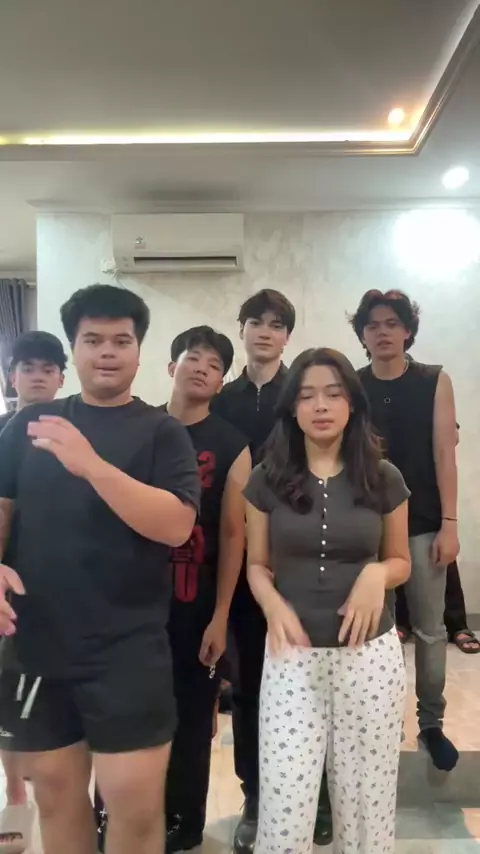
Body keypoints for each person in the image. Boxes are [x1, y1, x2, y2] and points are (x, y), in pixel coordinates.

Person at [0, 284, 201, 854]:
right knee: (56, 796)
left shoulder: (163, 432)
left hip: (127, 651)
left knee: (133, 807)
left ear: (139, 351)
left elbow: (176, 525)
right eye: (93, 340)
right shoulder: (30, 425)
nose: (107, 351)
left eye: (121, 340)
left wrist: (91, 465)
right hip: (36, 645)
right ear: (75, 349)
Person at [244, 347, 410, 854]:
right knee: (285, 806)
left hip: (369, 659)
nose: (320, 405)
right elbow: (256, 565)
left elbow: (401, 560)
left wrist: (378, 574)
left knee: (367, 809)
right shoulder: (266, 478)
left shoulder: (384, 476)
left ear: (352, 405)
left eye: (334, 394)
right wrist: (272, 603)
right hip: (291, 659)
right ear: (292, 407)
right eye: (307, 395)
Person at [212, 288, 316, 852]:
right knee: (250, 681)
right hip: (238, 556)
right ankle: (255, 795)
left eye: (277, 324)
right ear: (243, 329)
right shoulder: (222, 399)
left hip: (295, 551)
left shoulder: (301, 395)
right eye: (256, 322)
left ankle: (313, 795)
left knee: (306, 679)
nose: (265, 332)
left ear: (287, 337)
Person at [352, 289, 460, 771]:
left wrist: (450, 524)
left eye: (392, 323)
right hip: (368, 528)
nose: (383, 332)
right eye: (373, 325)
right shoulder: (352, 387)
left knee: (431, 630)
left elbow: (445, 455)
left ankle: (431, 723)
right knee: (375, 632)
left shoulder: (434, 381)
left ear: (408, 330)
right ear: (362, 334)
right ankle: (379, 718)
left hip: (423, 525)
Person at [164, 325, 251, 851]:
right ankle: (117, 813)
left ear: (221, 382)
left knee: (193, 719)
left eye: (214, 364)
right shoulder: (142, 427)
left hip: (197, 604)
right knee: (127, 714)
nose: (201, 368)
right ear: (170, 366)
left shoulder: (232, 443)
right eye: (192, 357)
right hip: (133, 604)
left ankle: (184, 822)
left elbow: (234, 533)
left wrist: (221, 615)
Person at [0, 330, 67, 853]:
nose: (38, 377)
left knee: (38, 692)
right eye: (28, 368)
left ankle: (44, 792)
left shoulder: (71, 433)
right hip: (5, 578)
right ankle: (15, 795)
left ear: (62, 377)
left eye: (48, 368)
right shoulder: (3, 433)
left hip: (53, 582)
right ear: (12, 376)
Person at [395, 424, 479, 654]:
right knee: (395, 548)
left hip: (426, 477)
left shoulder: (433, 397)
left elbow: (452, 433)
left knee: (439, 551)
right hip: (386, 471)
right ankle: (402, 621)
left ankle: (457, 623)